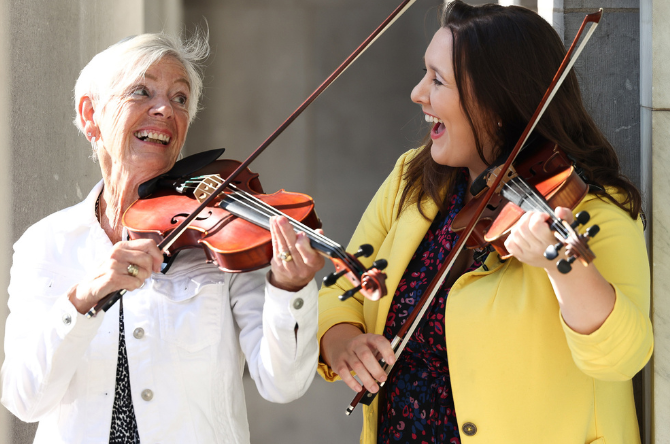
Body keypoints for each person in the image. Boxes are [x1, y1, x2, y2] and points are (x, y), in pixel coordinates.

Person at [317, 2, 653, 444]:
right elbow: (345, 284)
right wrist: (343, 341)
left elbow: (622, 358)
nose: (418, 93)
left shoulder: (594, 213)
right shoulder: (412, 180)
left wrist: (560, 265)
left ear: (496, 102)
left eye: (437, 80)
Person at [1, 32, 324, 444]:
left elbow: (283, 383)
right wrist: (86, 295)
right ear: (90, 115)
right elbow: (24, 398)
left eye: (180, 98)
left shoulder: (220, 237)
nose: (164, 109)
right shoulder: (45, 243)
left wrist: (290, 290)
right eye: (141, 91)